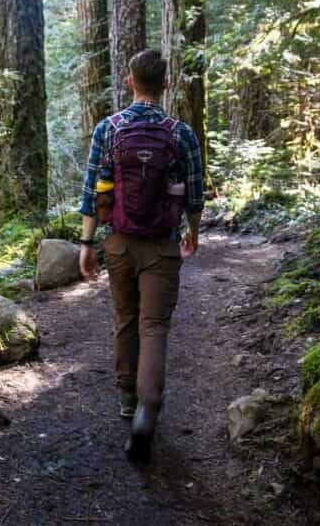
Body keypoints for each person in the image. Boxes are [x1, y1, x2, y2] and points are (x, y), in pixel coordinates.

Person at [78, 48, 204, 463]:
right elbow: (195, 190)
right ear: (165, 83)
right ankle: (149, 408)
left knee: (126, 318)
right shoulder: (181, 133)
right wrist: (193, 232)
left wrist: (86, 243)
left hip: (119, 244)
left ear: (130, 81)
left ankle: (127, 398)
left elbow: (93, 190)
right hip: (162, 245)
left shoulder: (108, 129)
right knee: (154, 326)